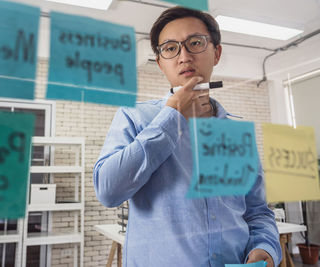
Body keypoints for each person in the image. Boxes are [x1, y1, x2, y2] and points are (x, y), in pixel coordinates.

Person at [93, 6, 282, 267]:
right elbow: (108, 191)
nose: (184, 56)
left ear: (216, 53)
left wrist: (266, 248)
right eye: (170, 48)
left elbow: (257, 212)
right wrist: (173, 116)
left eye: (195, 42)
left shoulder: (233, 134)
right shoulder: (135, 117)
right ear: (160, 62)